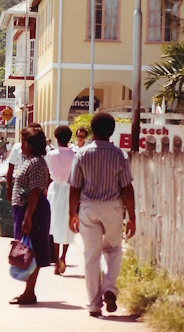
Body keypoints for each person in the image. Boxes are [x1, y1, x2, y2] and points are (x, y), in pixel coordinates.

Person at [69, 112, 136, 318]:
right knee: (114, 249)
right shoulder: (120, 155)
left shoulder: (82, 154)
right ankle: (109, 288)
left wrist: (73, 214)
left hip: (88, 207)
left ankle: (94, 306)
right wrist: (132, 217)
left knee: (91, 255)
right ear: (112, 131)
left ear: (92, 130)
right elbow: (127, 188)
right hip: (114, 207)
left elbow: (74, 188)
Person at [9, 127, 52, 306]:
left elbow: (35, 192)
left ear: (29, 144)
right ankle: (28, 291)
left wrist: (28, 217)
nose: (21, 146)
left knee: (31, 252)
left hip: (32, 210)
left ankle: (29, 292)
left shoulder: (35, 163)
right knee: (27, 250)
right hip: (27, 209)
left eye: (23, 142)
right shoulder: (31, 161)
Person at [45, 125, 77, 275]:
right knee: (67, 224)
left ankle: (57, 261)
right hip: (71, 190)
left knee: (54, 224)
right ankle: (63, 256)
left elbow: (47, 175)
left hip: (55, 190)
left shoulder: (51, 155)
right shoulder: (75, 154)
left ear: (56, 139)